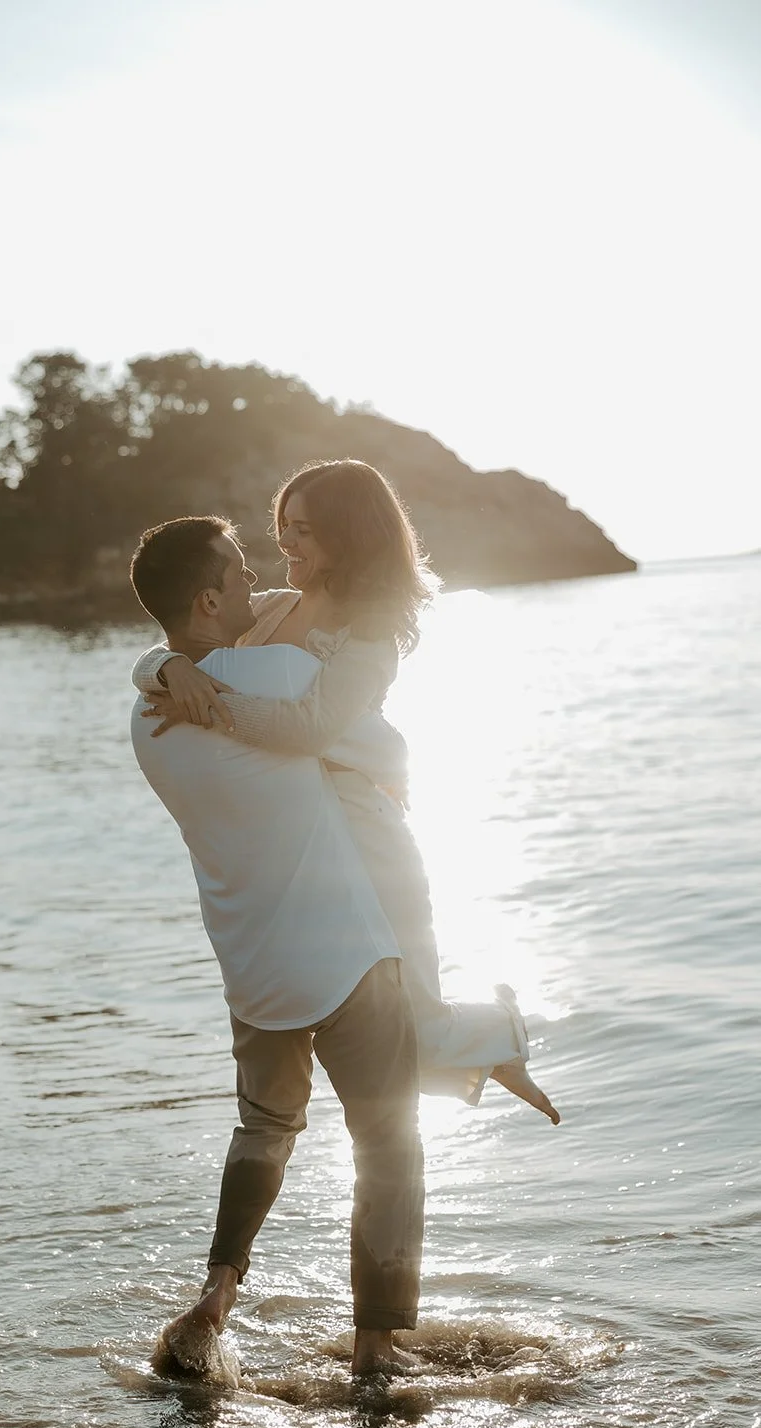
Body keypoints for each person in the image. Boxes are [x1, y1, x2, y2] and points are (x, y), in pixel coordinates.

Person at [135, 459, 560, 1124]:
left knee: (414, 1028)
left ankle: (503, 1030)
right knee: (382, 1036)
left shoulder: (370, 632)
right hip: (311, 843)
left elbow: (309, 727)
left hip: (369, 835)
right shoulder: (272, 610)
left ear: (349, 536)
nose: (284, 544)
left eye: (302, 530)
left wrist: (209, 704)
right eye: (282, 526)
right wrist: (165, 667)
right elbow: (175, 641)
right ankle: (482, 1055)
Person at [129, 515, 425, 1379]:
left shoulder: (145, 714)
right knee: (387, 1141)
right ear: (210, 598)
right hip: (345, 956)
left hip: (249, 966)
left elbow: (168, 673)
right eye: (241, 571)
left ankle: (217, 1295)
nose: (259, 585)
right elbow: (381, 746)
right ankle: (374, 1349)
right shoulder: (286, 672)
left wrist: (162, 662)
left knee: (263, 1127)